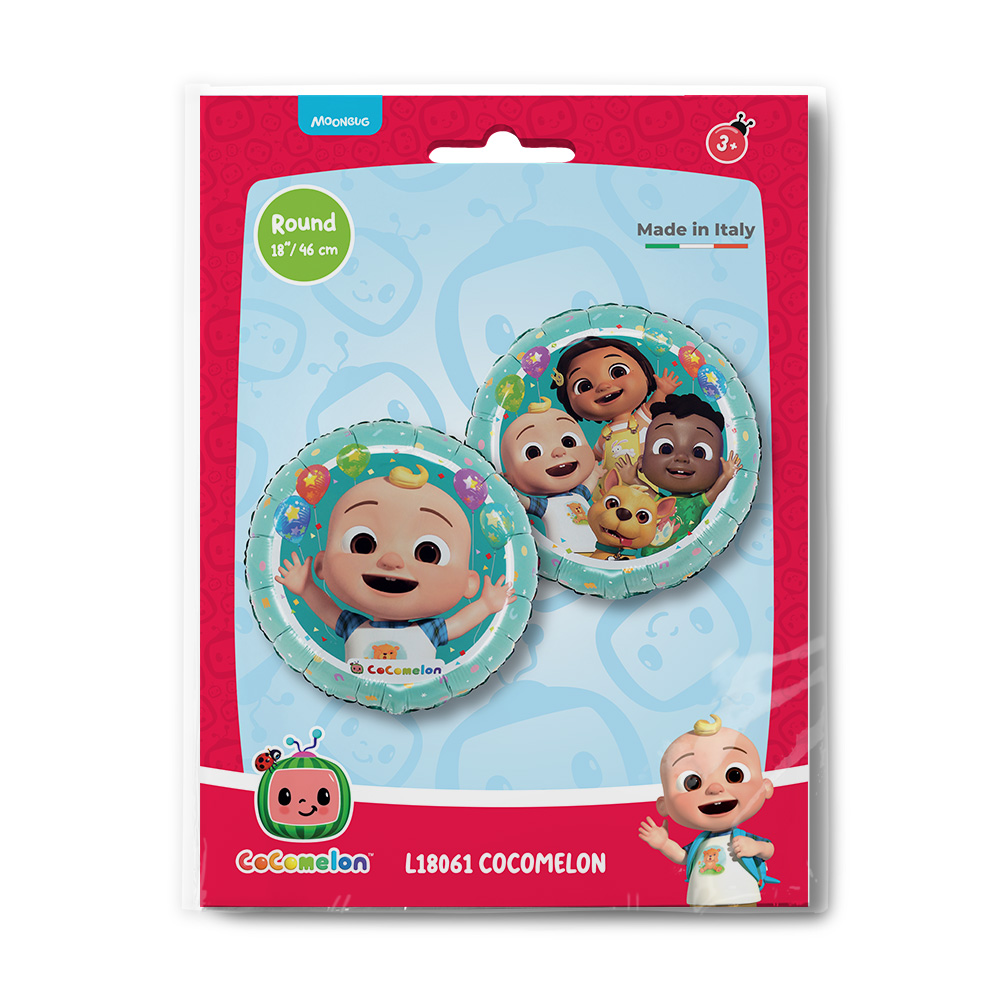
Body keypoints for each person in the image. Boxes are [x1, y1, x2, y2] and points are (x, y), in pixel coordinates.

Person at [274, 464, 512, 665]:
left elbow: (459, 623)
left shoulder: (430, 631)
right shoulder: (353, 626)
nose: (391, 560)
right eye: (362, 544)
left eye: (428, 553)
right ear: (321, 565)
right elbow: (327, 610)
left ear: (469, 583)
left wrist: (486, 605)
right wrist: (306, 588)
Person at [638, 714, 778, 907]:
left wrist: (756, 847)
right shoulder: (700, 843)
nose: (715, 788)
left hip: (742, 899)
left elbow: (769, 849)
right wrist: (663, 844)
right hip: (702, 902)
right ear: (664, 805)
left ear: (765, 787)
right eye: (692, 782)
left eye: (734, 775)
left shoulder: (743, 838)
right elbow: (683, 857)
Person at [500, 398, 602, 552]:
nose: (559, 452)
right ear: (510, 477)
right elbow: (522, 501)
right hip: (567, 554)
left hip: (597, 550)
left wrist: (596, 472)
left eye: (568, 442)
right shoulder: (546, 505)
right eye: (533, 452)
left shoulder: (579, 495)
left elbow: (589, 484)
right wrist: (506, 488)